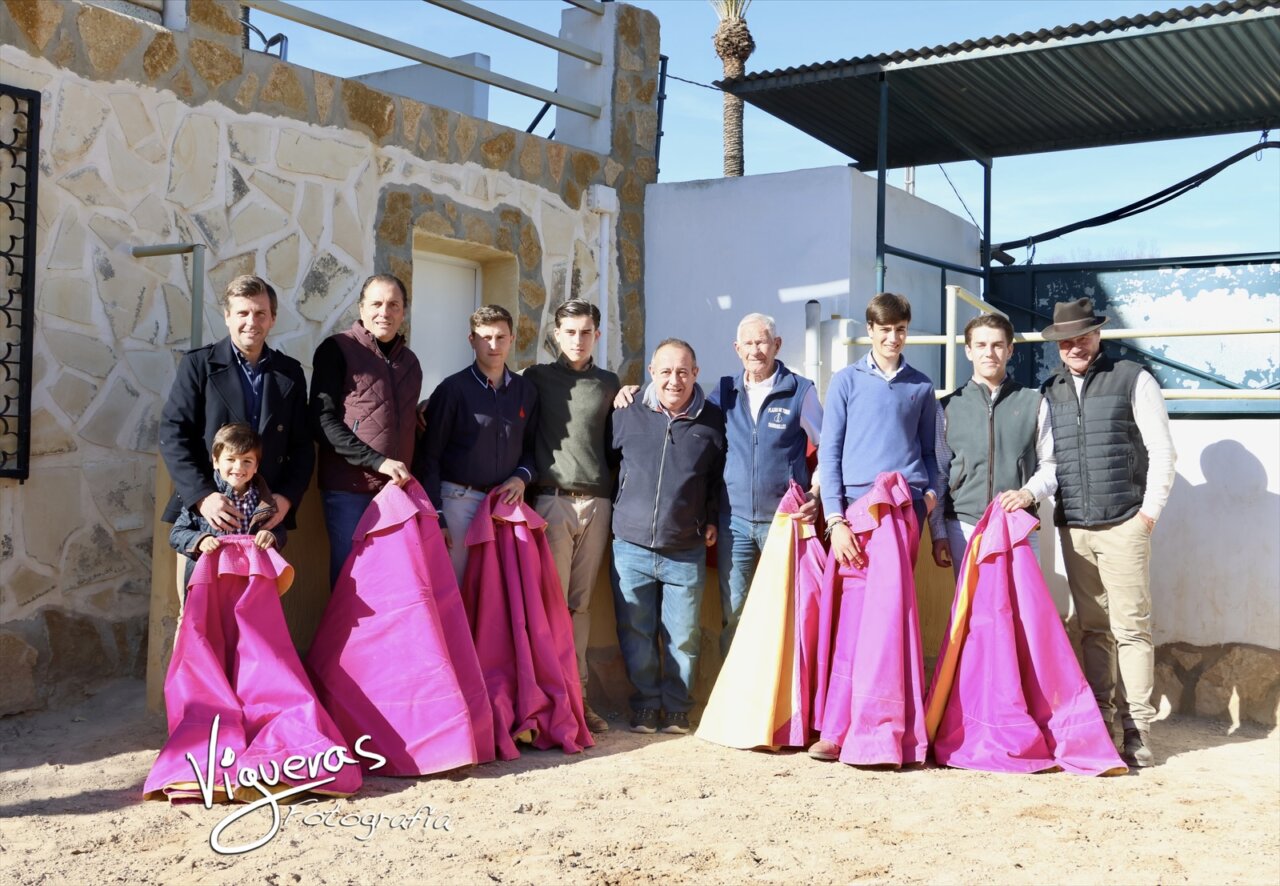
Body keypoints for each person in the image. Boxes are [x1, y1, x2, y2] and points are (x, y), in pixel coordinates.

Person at [1040, 297, 1176, 768]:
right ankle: (1100, 718)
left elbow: (1162, 450)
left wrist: (1147, 516)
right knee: (1093, 628)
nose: (1075, 345)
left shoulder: (1133, 378)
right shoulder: (1050, 389)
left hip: (1123, 523)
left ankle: (1137, 728)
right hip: (1075, 527)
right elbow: (1049, 463)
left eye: (1083, 335)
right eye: (1066, 339)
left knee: (1131, 628)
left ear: (1098, 334)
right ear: (1057, 346)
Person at [810, 292, 940, 762]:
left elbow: (931, 455)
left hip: (902, 513)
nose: (892, 337)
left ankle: (891, 732)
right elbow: (830, 454)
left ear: (907, 331)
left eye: (900, 329)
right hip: (855, 515)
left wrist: (926, 503)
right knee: (853, 622)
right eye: (884, 330)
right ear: (870, 331)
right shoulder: (844, 382)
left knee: (890, 622)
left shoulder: (922, 387)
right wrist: (836, 520)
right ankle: (838, 729)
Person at [159, 274, 312, 581]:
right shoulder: (198, 365)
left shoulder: (291, 373)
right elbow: (173, 434)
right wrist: (203, 497)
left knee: (254, 612)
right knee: (194, 617)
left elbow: (302, 446)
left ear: (272, 319)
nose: (251, 322)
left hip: (262, 518)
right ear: (227, 317)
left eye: (260, 313)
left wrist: (286, 498)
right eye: (242, 313)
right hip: (206, 514)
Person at [610, 339, 726, 735]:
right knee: (636, 633)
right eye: (665, 371)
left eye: (682, 371)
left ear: (695, 372)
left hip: (685, 548)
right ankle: (645, 705)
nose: (674, 380)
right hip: (630, 546)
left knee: (684, 636)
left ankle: (677, 708)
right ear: (651, 373)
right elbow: (609, 464)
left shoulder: (713, 421)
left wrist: (709, 517)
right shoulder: (625, 412)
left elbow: (716, 479)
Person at [523, 299, 620, 734]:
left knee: (580, 605)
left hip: (598, 503)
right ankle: (550, 700)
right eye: (570, 331)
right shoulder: (536, 378)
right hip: (552, 500)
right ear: (556, 335)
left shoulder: (609, 383)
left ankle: (579, 699)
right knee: (551, 606)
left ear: (597, 335)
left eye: (586, 331)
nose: (578, 339)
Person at [710, 312, 822, 657]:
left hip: (784, 522)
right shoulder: (724, 392)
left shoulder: (800, 391)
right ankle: (736, 702)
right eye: (748, 343)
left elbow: (829, 451)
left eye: (762, 342)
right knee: (735, 615)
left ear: (777, 345)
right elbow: (689, 420)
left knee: (788, 611)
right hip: (735, 524)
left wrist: (816, 495)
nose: (755, 350)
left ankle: (787, 703)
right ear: (736, 348)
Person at [310, 274, 422, 583]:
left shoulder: (410, 363)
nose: (384, 312)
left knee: (393, 587)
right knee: (353, 584)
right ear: (361, 308)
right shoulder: (337, 349)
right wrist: (378, 461)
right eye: (376, 304)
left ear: (403, 312)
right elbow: (322, 421)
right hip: (350, 491)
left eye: (393, 305)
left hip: (397, 493)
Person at [415, 304, 538, 582]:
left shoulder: (526, 391)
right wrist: (437, 514)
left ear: (512, 339)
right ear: (472, 340)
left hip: (504, 507)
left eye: (500, 337)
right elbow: (429, 456)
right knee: (456, 589)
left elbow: (532, 449)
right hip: (459, 503)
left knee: (496, 595)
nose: (493, 345)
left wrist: (521, 478)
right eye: (485, 338)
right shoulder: (452, 389)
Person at [930, 313, 1056, 575]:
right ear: (968, 351)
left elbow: (1050, 464)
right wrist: (938, 531)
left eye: (998, 345)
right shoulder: (947, 408)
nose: (990, 353)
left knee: (1022, 610)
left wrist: (1028, 494)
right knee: (975, 612)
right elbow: (941, 473)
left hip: (1020, 523)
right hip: (964, 527)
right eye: (981, 345)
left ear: (1010, 350)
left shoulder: (1034, 403)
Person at [169, 423, 285, 590]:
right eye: (230, 459)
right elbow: (177, 533)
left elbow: (279, 530)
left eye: (247, 461)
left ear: (256, 466)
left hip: (249, 583)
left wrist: (271, 537)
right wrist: (200, 540)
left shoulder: (264, 500)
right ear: (216, 461)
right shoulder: (204, 499)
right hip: (209, 584)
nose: (238, 467)